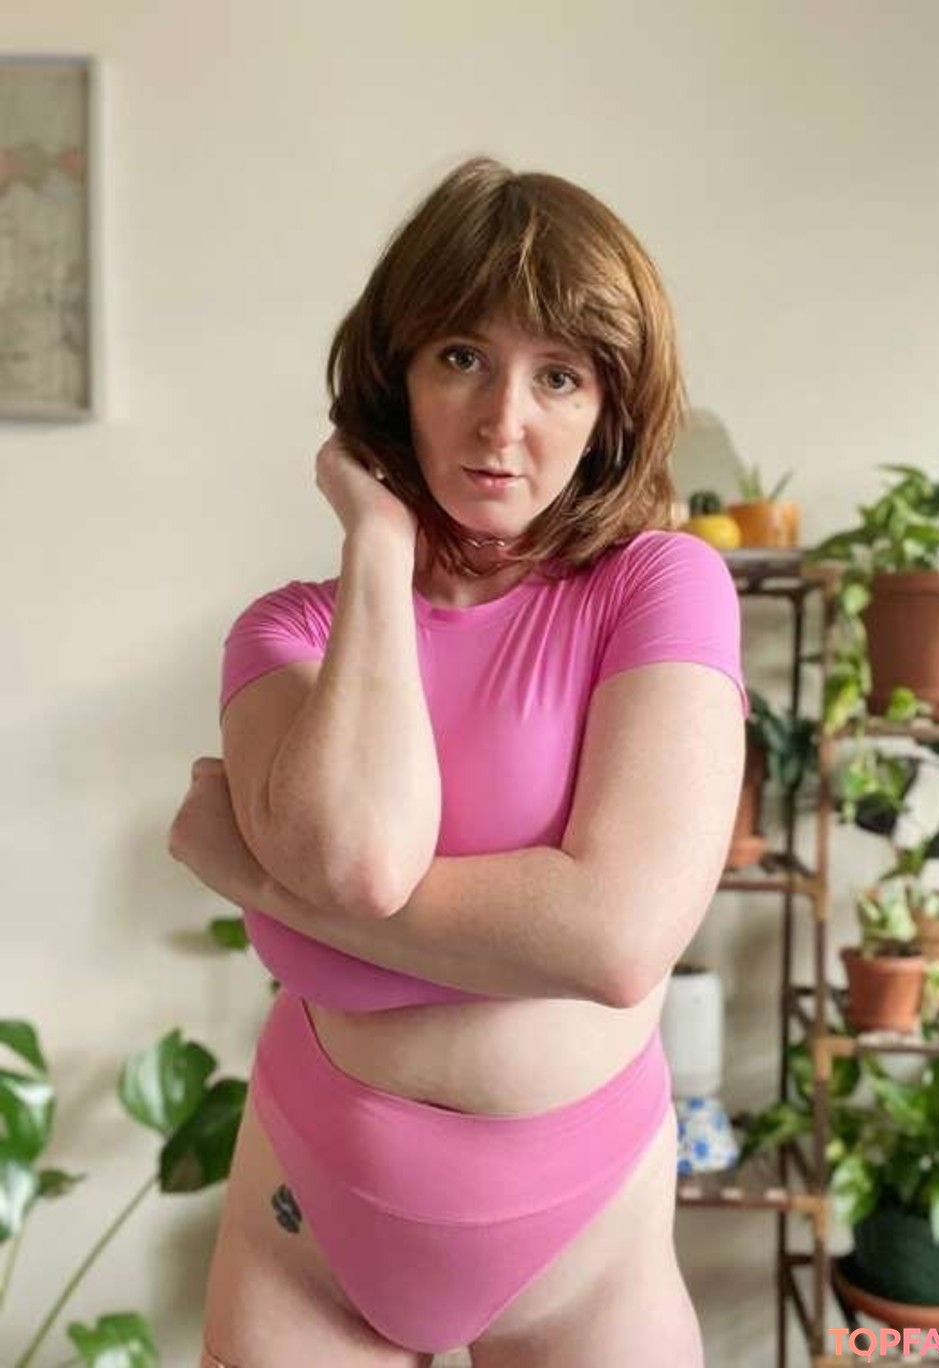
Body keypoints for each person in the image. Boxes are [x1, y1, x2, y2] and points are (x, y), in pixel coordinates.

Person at [168, 156, 747, 1368]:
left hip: (586, 1246)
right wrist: (378, 547)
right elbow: (358, 861)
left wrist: (259, 878)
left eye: (559, 375)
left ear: (610, 409)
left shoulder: (661, 585)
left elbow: (618, 938)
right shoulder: (287, 632)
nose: (503, 423)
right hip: (308, 1218)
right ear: (397, 378)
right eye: (462, 357)